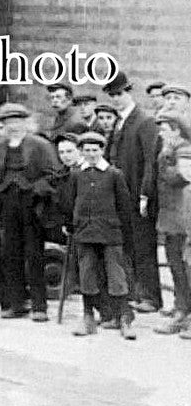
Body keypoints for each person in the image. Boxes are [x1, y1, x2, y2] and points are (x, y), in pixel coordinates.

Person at [0, 102, 59, 322]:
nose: (13, 126)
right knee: (9, 256)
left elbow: (53, 175)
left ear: (26, 123)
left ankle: (39, 306)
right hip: (7, 208)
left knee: (34, 256)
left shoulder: (40, 146)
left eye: (17, 121)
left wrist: (35, 189)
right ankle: (14, 303)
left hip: (32, 208)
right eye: (8, 122)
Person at [64, 132, 136, 339]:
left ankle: (123, 317)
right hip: (85, 232)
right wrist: (70, 224)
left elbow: (124, 207)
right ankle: (88, 316)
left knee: (116, 275)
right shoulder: (76, 174)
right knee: (87, 274)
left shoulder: (114, 174)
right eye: (86, 151)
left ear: (102, 151)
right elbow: (70, 202)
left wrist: (124, 234)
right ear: (81, 152)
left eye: (95, 150)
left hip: (110, 232)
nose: (91, 154)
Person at [104, 71, 162, 314]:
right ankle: (135, 292)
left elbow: (151, 161)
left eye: (119, 94)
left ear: (129, 92)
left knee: (143, 246)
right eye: (112, 95)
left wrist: (145, 194)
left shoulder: (144, 121)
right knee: (127, 245)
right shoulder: (119, 122)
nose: (116, 99)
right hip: (121, 196)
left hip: (138, 196)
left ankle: (150, 296)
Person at [153, 114, 191, 334]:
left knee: (185, 268)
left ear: (176, 131)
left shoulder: (184, 150)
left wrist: (166, 160)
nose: (161, 134)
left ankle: (185, 313)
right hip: (171, 217)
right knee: (176, 267)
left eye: (164, 129)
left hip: (182, 217)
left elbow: (182, 177)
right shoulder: (170, 150)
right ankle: (181, 311)